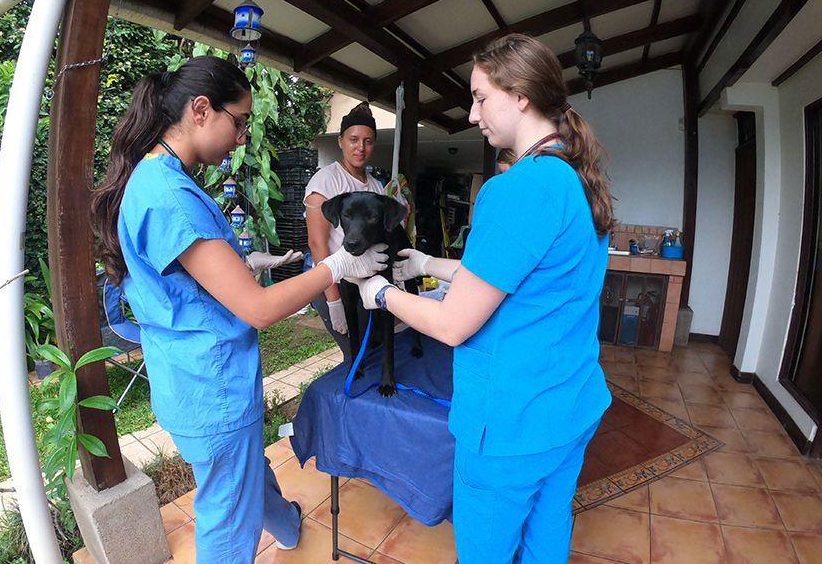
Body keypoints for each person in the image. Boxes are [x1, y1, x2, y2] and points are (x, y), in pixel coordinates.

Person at [90, 56, 388, 564]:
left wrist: (251, 259)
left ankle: (286, 523)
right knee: (229, 525)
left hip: (187, 377)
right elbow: (259, 309)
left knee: (245, 475)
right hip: (213, 388)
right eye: (241, 121)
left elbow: (192, 271)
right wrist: (337, 266)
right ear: (201, 110)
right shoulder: (171, 195)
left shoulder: (155, 177)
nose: (243, 136)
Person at [347, 34, 615, 564]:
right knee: (544, 540)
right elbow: (518, 276)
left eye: (479, 97)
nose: (472, 115)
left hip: (511, 425)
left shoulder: (517, 188)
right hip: (570, 406)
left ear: (520, 95)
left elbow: (452, 324)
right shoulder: (576, 180)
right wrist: (425, 264)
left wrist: (377, 292)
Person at [304, 101, 386, 361]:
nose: (360, 148)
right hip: (335, 284)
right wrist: (333, 301)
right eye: (353, 139)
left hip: (365, 284)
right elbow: (318, 244)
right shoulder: (326, 181)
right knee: (356, 357)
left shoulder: (376, 187)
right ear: (340, 141)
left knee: (373, 350)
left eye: (368, 141)